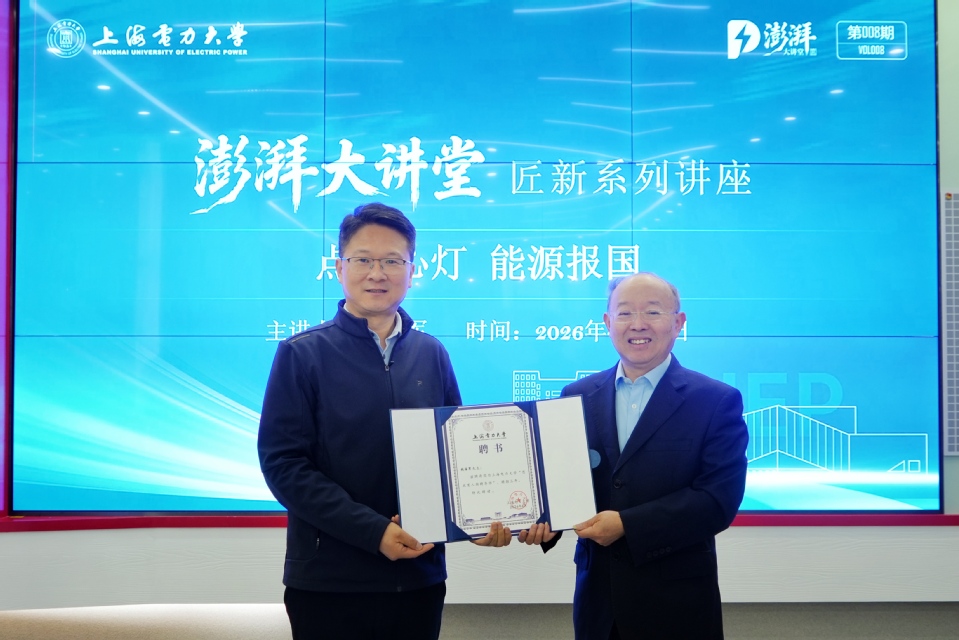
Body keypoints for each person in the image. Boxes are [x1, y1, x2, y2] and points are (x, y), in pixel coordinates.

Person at [257, 202, 510, 640]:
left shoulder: (431, 353)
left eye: (393, 261)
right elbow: (284, 466)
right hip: (329, 583)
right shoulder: (301, 354)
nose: (377, 273)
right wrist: (373, 532)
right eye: (363, 260)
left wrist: (480, 519)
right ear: (340, 268)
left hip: (418, 578)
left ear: (412, 270)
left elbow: (456, 457)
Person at [520, 272, 748, 639]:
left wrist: (627, 524)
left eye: (653, 312)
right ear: (607, 322)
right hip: (599, 603)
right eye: (625, 313)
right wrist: (540, 522)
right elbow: (560, 484)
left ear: (679, 323)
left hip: (678, 605)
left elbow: (716, 501)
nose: (637, 324)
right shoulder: (576, 396)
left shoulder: (715, 401)